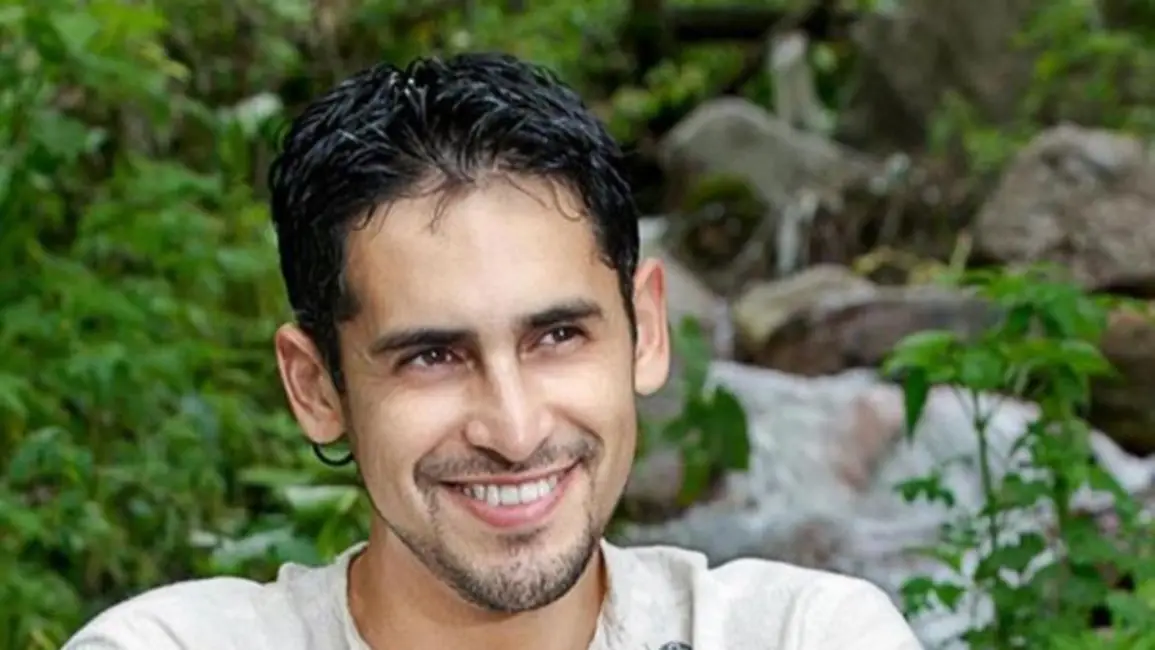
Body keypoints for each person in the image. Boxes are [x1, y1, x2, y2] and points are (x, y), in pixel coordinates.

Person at [63, 52, 923, 650]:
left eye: (557, 336)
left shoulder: (801, 634)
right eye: (431, 357)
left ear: (646, 329)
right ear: (316, 386)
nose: (514, 431)